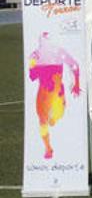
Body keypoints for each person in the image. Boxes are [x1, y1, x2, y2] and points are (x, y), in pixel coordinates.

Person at [28, 32, 81, 161]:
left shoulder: (59, 51)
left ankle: (53, 118)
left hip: (57, 93)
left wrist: (77, 83)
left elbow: (74, 65)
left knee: (56, 116)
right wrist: (35, 66)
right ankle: (48, 148)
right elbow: (32, 76)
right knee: (42, 121)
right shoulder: (35, 55)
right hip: (43, 93)